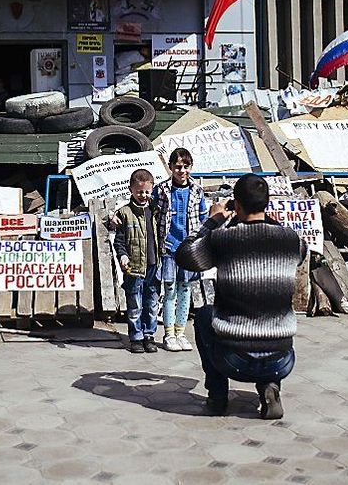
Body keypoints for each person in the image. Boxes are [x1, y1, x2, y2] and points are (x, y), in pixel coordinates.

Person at [176, 174, 304, 419]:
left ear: (236, 205)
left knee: (204, 314)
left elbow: (184, 254)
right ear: (267, 204)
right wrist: (273, 224)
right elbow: (302, 252)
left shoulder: (223, 239)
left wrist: (212, 221)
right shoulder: (290, 239)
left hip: (233, 359)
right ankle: (270, 386)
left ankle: (217, 396)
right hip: (282, 359)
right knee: (275, 313)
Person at [153, 148, 207, 352]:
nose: (181, 171)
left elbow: (203, 220)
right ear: (170, 167)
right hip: (169, 248)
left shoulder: (197, 191)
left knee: (185, 290)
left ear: (190, 167)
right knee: (169, 291)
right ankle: (168, 334)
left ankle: (181, 332)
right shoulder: (162, 189)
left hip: (189, 249)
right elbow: (152, 213)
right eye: (177, 167)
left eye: (185, 167)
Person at [113, 169, 163, 354]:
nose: (143, 195)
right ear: (131, 190)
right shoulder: (124, 213)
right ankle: (136, 337)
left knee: (151, 304)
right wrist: (123, 256)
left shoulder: (156, 210)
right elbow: (119, 240)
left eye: (147, 192)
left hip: (153, 266)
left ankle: (149, 335)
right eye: (139, 192)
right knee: (134, 305)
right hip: (133, 268)